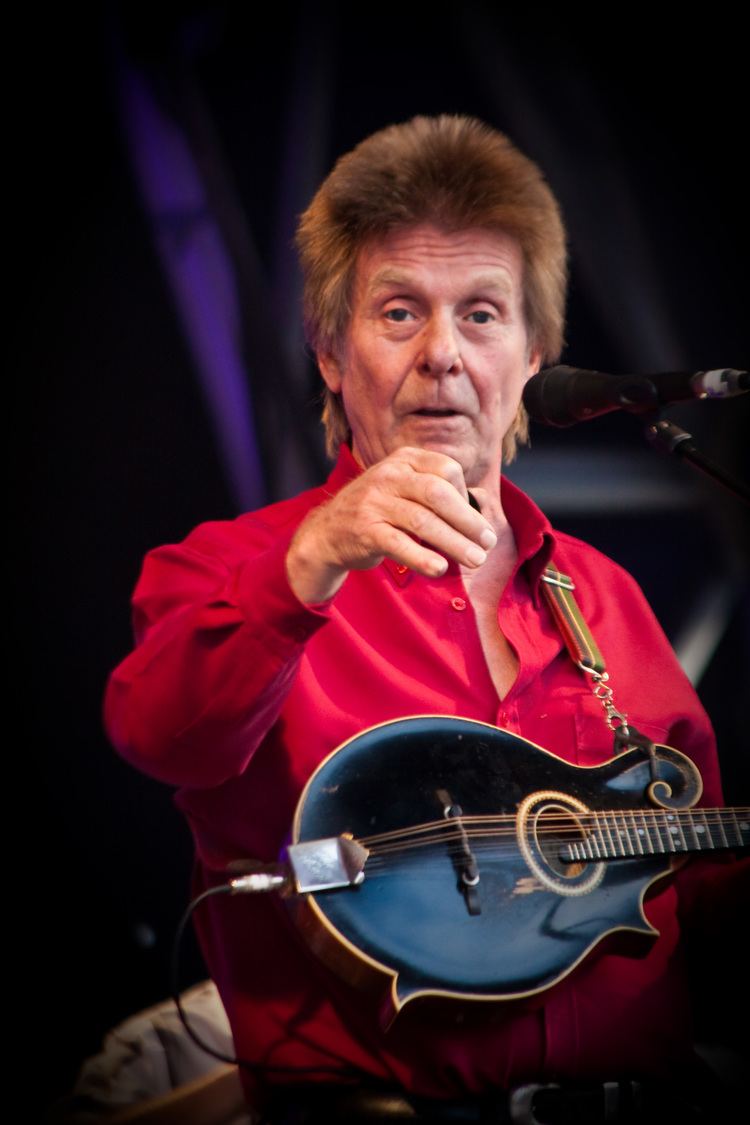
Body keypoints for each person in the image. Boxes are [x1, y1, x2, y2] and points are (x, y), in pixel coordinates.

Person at [105, 116, 743, 1122]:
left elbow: (696, 895)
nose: (443, 354)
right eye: (400, 313)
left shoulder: (607, 597)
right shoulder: (230, 565)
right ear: (328, 350)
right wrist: (307, 565)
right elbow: (161, 735)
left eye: (483, 314)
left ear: (535, 354)